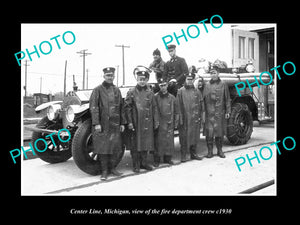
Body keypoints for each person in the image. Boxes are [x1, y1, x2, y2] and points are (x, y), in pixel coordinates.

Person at [89, 67, 126, 180]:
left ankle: (113, 169)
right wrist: (96, 123)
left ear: (114, 76)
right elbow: (94, 107)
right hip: (103, 125)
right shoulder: (97, 90)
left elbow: (121, 108)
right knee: (103, 148)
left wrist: (122, 123)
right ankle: (104, 171)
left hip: (115, 125)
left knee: (115, 148)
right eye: (108, 75)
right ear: (104, 76)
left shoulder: (116, 90)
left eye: (111, 75)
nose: (110, 77)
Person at [124, 70, 159, 173]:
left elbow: (154, 107)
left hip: (147, 123)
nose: (142, 81)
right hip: (136, 122)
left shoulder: (150, 92)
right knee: (135, 145)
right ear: (137, 79)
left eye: (144, 80)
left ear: (147, 80)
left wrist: (156, 121)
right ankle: (136, 165)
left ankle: (144, 163)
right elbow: (127, 108)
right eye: (140, 79)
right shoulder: (131, 92)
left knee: (146, 143)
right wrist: (129, 122)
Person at [203, 65, 231, 158]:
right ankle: (210, 151)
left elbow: (227, 98)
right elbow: (203, 99)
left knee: (219, 132)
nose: (213, 75)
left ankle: (220, 150)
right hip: (209, 113)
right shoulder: (207, 85)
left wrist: (228, 111)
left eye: (214, 73)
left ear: (218, 74)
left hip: (220, 112)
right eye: (211, 73)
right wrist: (204, 112)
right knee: (209, 133)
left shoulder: (223, 84)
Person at [177, 72, 204, 162]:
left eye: (191, 79)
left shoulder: (197, 91)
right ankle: (183, 155)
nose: (189, 81)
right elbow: (178, 106)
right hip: (185, 118)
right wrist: (180, 118)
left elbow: (201, 104)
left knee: (195, 136)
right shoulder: (180, 91)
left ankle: (193, 154)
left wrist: (201, 116)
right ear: (185, 80)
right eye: (188, 79)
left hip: (195, 118)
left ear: (193, 80)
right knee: (184, 137)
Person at [153, 79, 179, 167]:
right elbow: (154, 110)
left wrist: (176, 122)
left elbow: (176, 111)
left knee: (169, 141)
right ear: (159, 86)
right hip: (160, 123)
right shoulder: (155, 97)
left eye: (164, 85)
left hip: (169, 122)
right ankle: (157, 159)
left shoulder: (172, 97)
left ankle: (167, 158)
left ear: (167, 85)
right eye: (161, 86)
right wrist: (156, 122)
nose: (163, 87)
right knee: (158, 142)